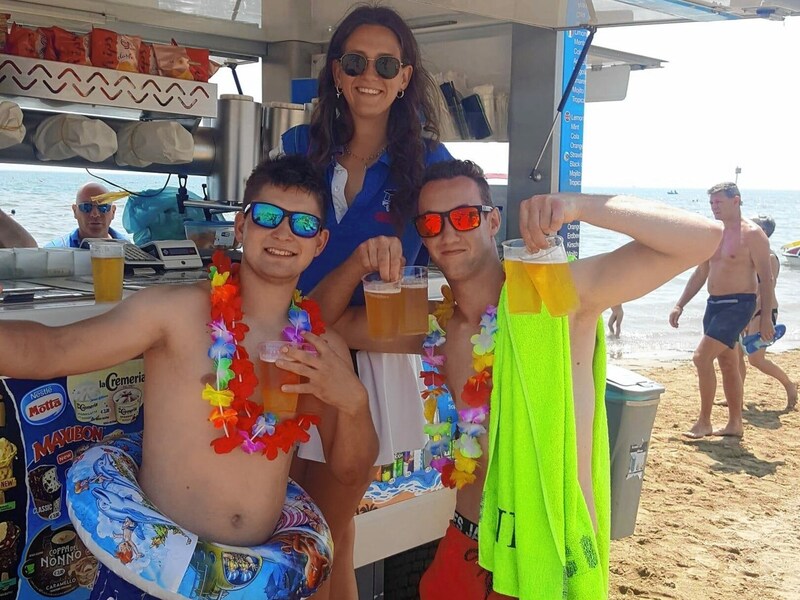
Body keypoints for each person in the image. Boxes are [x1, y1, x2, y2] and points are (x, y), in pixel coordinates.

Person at [327, 160, 722, 599]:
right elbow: (331, 323)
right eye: (432, 223)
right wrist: (356, 263)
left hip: (542, 550)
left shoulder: (554, 297)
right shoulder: (433, 326)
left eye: (463, 217)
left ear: (493, 219)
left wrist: (579, 205)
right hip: (464, 541)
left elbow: (701, 239)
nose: (448, 234)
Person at [0, 155, 378, 599]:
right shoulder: (174, 312)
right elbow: (50, 350)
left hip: (257, 582)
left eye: (303, 225)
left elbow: (350, 471)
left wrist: (353, 403)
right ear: (241, 227)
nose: (283, 233)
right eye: (268, 216)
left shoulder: (320, 347)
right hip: (151, 575)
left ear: (320, 242)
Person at [275, 6, 452, 598]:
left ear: (405, 76)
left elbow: (457, 255)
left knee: (330, 530)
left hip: (363, 355)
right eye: (355, 61)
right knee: (287, 519)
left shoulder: (430, 163)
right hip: (288, 351)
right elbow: (274, 242)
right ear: (336, 72)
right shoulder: (300, 146)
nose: (368, 75)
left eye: (385, 64)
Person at [669, 182, 775, 438]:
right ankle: (734, 424)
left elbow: (767, 278)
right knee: (727, 363)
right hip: (714, 304)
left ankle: (704, 421)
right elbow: (702, 271)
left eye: (719, 202)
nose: (714, 207)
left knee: (700, 357)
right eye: (712, 203)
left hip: (740, 304)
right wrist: (680, 303)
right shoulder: (713, 232)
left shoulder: (753, 235)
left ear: (736, 201)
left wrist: (765, 321)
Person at [736, 215, 796, 410]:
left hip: (762, 311)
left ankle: (789, 385)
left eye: (753, 226)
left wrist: (749, 316)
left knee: (756, 359)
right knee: (736, 355)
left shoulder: (769, 258)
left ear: (763, 232)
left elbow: (764, 292)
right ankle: (736, 396)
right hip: (744, 309)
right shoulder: (749, 253)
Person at [44, 182, 127, 248]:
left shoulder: (128, 248)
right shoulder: (55, 251)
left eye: (103, 207)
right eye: (86, 207)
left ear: (113, 212)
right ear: (75, 211)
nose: (95, 214)